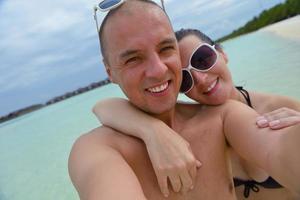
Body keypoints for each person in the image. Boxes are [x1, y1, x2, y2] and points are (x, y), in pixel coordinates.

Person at [68, 0, 300, 199]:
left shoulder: (224, 116)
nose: (158, 71)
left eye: (165, 48)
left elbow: (278, 148)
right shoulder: (95, 149)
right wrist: (152, 131)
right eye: (133, 59)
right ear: (110, 73)